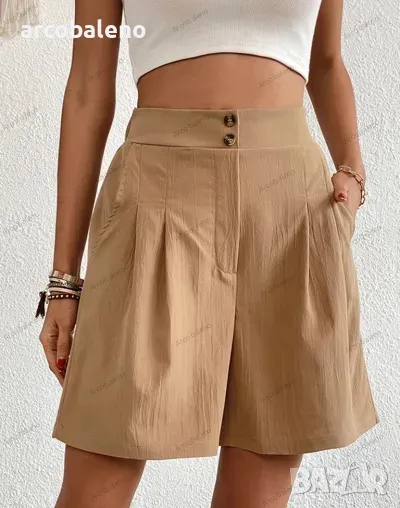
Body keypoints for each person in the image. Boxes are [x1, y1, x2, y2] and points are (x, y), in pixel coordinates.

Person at [37, 0, 379, 506]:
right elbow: (87, 89)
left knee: (262, 476)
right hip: (156, 194)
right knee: (100, 466)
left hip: (288, 207)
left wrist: (353, 169)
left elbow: (326, 62)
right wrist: (64, 281)